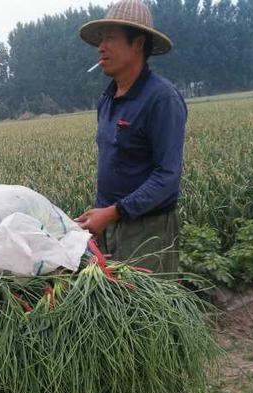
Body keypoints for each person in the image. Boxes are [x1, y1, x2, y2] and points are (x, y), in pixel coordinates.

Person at [75, 0, 188, 272]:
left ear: (137, 44)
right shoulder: (108, 99)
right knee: (115, 307)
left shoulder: (161, 99)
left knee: (148, 308)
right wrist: (98, 215)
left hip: (147, 231)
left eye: (110, 38)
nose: (101, 47)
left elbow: (167, 176)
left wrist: (113, 212)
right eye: (100, 40)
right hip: (109, 226)